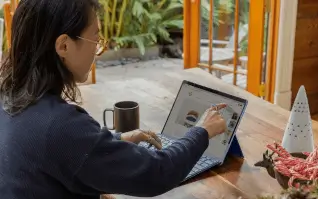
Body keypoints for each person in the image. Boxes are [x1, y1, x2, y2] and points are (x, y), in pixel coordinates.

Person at [0, 0, 228, 199]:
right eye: (95, 39)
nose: (96, 51)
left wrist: (116, 141)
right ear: (64, 45)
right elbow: (157, 173)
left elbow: (60, 153)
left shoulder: (8, 97)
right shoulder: (60, 126)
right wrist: (203, 131)